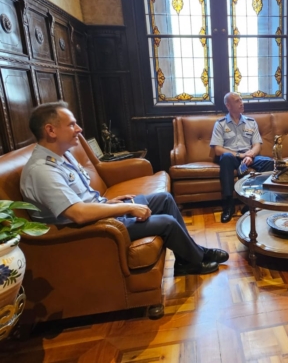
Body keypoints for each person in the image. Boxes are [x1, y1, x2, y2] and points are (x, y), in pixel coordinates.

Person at [20, 101, 229, 276]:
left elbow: (82, 201)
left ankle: (189, 258)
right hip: (91, 230)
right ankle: (195, 259)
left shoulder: (62, 155)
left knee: (164, 199)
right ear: (50, 130)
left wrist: (109, 202)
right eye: (72, 124)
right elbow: (79, 214)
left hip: (101, 214)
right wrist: (126, 208)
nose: (79, 129)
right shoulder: (42, 171)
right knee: (167, 222)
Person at [210, 92, 274, 223]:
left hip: (249, 157)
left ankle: (252, 202)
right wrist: (241, 155)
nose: (241, 103)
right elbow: (217, 150)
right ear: (228, 106)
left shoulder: (251, 122)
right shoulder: (220, 124)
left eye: (241, 100)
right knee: (225, 157)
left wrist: (250, 154)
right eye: (237, 101)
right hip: (233, 157)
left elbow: (257, 145)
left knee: (269, 163)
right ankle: (228, 205)